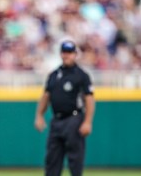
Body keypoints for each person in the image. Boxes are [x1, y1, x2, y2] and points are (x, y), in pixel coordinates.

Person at [34, 40, 95, 176]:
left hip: (74, 119)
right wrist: (39, 115)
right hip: (57, 120)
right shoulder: (54, 75)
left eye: (70, 52)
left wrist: (87, 121)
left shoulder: (81, 76)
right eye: (65, 52)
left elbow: (89, 99)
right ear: (61, 54)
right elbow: (46, 96)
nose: (67, 55)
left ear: (75, 54)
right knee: (52, 160)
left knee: (75, 161)